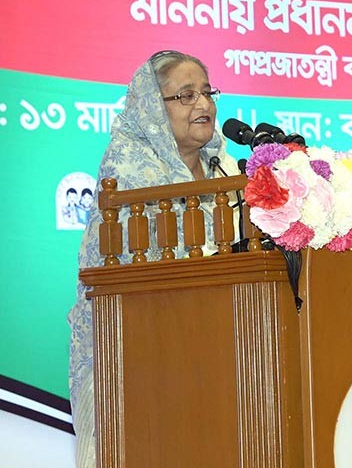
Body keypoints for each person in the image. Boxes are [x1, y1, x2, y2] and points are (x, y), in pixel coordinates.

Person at [67, 51, 239, 468]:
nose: (203, 105)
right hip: (133, 363)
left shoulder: (225, 167)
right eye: (185, 95)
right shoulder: (130, 172)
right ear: (151, 107)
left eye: (206, 92)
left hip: (219, 357)